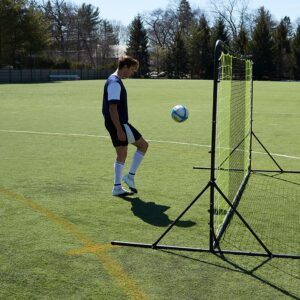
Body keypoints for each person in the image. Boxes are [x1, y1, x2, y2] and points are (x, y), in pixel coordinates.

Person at [102, 56, 149, 196]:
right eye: (132, 70)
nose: (132, 73)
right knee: (143, 145)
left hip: (115, 123)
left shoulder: (113, 79)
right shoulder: (115, 83)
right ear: (125, 67)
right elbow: (112, 108)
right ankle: (130, 176)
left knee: (121, 152)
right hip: (119, 123)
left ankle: (117, 187)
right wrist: (119, 129)